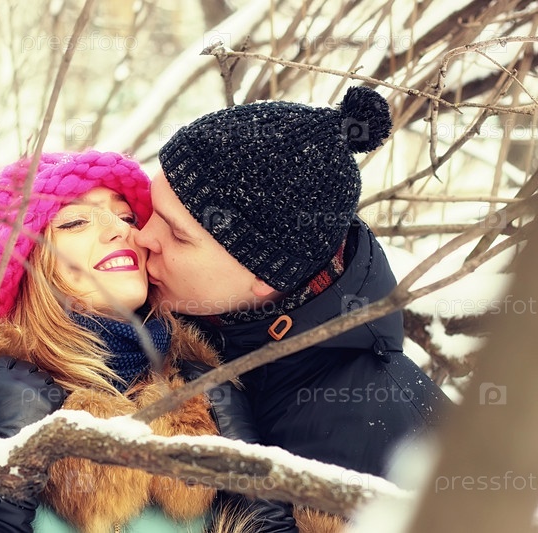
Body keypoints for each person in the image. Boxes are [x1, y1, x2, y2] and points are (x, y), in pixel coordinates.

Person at [0, 151, 316, 532]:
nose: (121, 229)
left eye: (126, 216)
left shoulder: (216, 404)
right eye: (75, 221)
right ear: (22, 269)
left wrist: (262, 513)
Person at [131, 86, 453, 529]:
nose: (143, 236)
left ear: (266, 275)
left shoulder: (388, 436)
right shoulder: (177, 320)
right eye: (151, 210)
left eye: (178, 234)